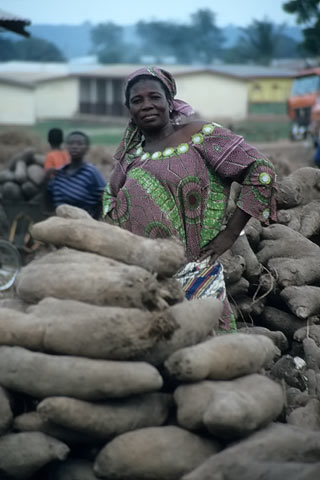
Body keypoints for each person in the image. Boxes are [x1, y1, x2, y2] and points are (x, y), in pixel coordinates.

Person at [102, 66, 277, 332]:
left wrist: (230, 234)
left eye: (154, 97)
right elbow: (109, 201)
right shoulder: (130, 158)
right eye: (137, 100)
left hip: (198, 276)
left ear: (170, 102)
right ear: (129, 109)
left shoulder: (200, 136)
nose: (147, 105)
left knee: (210, 354)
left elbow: (260, 171)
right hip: (149, 284)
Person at [47, 130, 106, 219]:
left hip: (85, 223)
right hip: (59, 223)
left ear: (87, 149)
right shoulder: (58, 173)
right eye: (71, 144)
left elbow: (105, 197)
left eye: (79, 144)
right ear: (66, 147)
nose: (74, 147)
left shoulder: (91, 172)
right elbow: (49, 198)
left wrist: (96, 219)